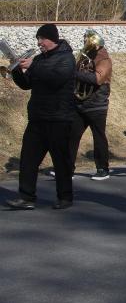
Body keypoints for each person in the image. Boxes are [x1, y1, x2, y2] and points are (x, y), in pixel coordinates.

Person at [6, 23, 77, 211]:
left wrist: (33, 66)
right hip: (37, 117)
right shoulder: (39, 59)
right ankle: (26, 197)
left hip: (60, 118)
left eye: (41, 39)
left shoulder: (67, 58)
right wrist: (15, 69)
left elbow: (56, 79)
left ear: (52, 39)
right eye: (38, 39)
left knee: (61, 161)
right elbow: (26, 84)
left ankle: (65, 197)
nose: (39, 43)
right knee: (28, 159)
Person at [69, 29, 113, 181]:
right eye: (85, 39)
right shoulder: (84, 57)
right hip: (80, 103)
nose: (85, 42)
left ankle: (103, 169)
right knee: (72, 136)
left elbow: (97, 79)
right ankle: (67, 168)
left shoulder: (104, 59)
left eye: (88, 40)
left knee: (99, 137)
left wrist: (74, 74)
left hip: (97, 104)